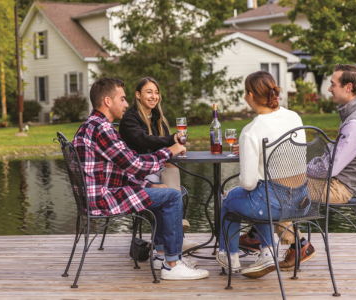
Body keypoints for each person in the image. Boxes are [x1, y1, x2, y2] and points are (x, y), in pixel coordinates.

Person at [235, 64, 356, 272]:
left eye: (333, 84)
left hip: (340, 187)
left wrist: (301, 169)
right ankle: (259, 235)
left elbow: (331, 168)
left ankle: (298, 245)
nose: (329, 88)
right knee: (284, 183)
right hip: (339, 181)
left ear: (348, 87)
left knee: (282, 188)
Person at [72, 77, 209, 280]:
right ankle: (172, 264)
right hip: (103, 199)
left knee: (163, 189)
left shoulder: (90, 126)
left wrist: (150, 184)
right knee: (172, 197)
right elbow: (135, 164)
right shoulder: (102, 129)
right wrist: (169, 151)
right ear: (108, 101)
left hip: (97, 195)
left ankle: (161, 255)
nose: (126, 104)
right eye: (123, 99)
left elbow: (120, 171)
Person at [215, 71, 308, 278]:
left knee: (231, 198)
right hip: (301, 201)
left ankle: (229, 256)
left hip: (272, 205)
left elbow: (248, 183)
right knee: (261, 194)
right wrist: (252, 152)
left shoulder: (251, 130)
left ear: (249, 95)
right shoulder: (294, 117)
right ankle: (267, 252)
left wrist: (249, 151)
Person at [119, 77, 199, 255]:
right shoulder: (129, 119)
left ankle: (174, 235)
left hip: (154, 168)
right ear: (138, 95)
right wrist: (171, 141)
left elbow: (160, 145)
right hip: (137, 173)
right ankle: (174, 237)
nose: (154, 96)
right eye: (149, 92)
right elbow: (145, 140)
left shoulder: (157, 117)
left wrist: (175, 149)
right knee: (168, 192)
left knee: (172, 165)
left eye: (156, 92)